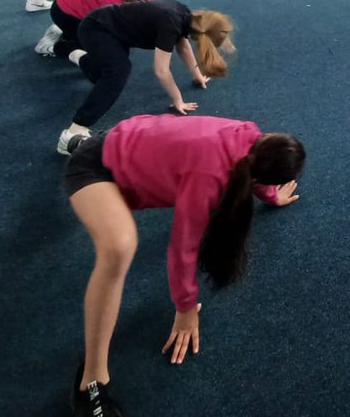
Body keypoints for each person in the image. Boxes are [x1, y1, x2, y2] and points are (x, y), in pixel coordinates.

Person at [63, 114, 305, 416]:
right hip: (95, 168)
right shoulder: (209, 177)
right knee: (119, 247)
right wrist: (185, 309)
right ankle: (91, 382)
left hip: (122, 142)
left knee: (122, 243)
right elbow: (183, 248)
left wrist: (271, 196)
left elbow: (253, 169)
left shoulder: (250, 137)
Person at [56, 0, 233, 154]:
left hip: (114, 32)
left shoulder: (185, 15)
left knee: (101, 76)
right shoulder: (170, 24)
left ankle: (70, 51)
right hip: (96, 29)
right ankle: (73, 132)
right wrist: (178, 99)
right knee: (117, 73)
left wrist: (197, 75)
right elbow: (161, 71)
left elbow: (183, 46)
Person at [35, 0, 162, 59]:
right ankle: (49, 47)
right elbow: (114, 28)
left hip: (73, 6)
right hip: (65, 12)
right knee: (95, 50)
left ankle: (65, 33)